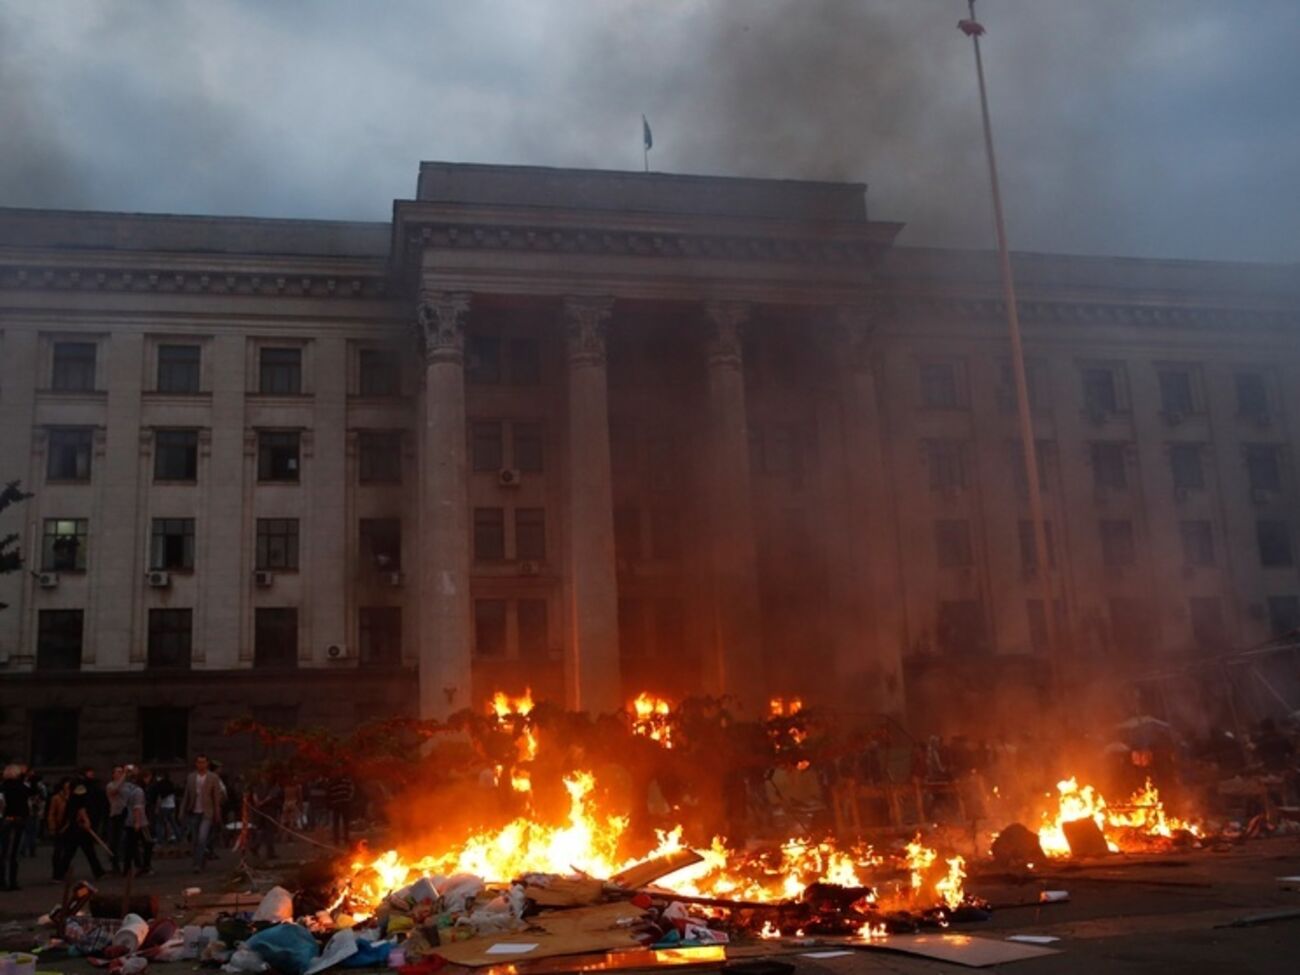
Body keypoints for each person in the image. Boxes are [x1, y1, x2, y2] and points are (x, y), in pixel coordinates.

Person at [179, 754, 224, 873]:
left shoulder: (213, 777)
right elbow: (186, 795)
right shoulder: (191, 777)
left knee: (202, 838)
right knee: (195, 839)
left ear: (207, 763)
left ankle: (198, 863)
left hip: (207, 812)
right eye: (199, 762)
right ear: (196, 763)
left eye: (203, 762)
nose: (201, 765)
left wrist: (217, 812)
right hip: (193, 811)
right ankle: (198, 862)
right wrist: (182, 811)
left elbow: (216, 796)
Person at [54, 779, 104, 881]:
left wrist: (85, 822)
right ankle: (59, 874)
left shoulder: (76, 800)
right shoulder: (74, 801)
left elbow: (81, 811)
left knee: (87, 852)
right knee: (71, 853)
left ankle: (99, 872)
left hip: (78, 831)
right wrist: (85, 822)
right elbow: (79, 812)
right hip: (75, 830)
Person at [1, 763, 31, 890]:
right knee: (13, 853)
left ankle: (3, 881)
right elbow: (31, 792)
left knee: (4, 852)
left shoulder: (3, 787)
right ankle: (13, 881)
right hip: (18, 819)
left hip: (6, 819)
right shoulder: (22, 787)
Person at [121, 770, 153, 876]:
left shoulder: (127, 789)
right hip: (140, 821)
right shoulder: (139, 791)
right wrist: (138, 822)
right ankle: (145, 866)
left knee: (130, 846)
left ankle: (127, 868)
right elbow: (137, 807)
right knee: (148, 843)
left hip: (129, 820)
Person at [249, 775, 284, 860]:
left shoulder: (258, 786)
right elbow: (270, 797)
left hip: (260, 810)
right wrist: (261, 803)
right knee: (269, 832)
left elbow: (255, 796)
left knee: (263, 831)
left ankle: (255, 846)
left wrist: (258, 803)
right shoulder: (274, 786)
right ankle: (269, 852)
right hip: (269, 810)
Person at [151, 770, 180, 844]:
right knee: (173, 822)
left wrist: (157, 808)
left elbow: (160, 797)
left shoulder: (160, 785)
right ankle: (177, 836)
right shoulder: (170, 784)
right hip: (172, 806)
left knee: (159, 823)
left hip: (164, 806)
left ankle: (160, 838)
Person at [326, 773, 355, 847]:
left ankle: (346, 839)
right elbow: (328, 795)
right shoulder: (331, 784)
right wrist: (330, 804)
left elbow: (351, 790)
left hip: (344, 804)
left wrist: (349, 799)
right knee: (336, 824)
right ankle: (336, 840)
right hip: (336, 805)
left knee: (346, 823)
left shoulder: (345, 782)